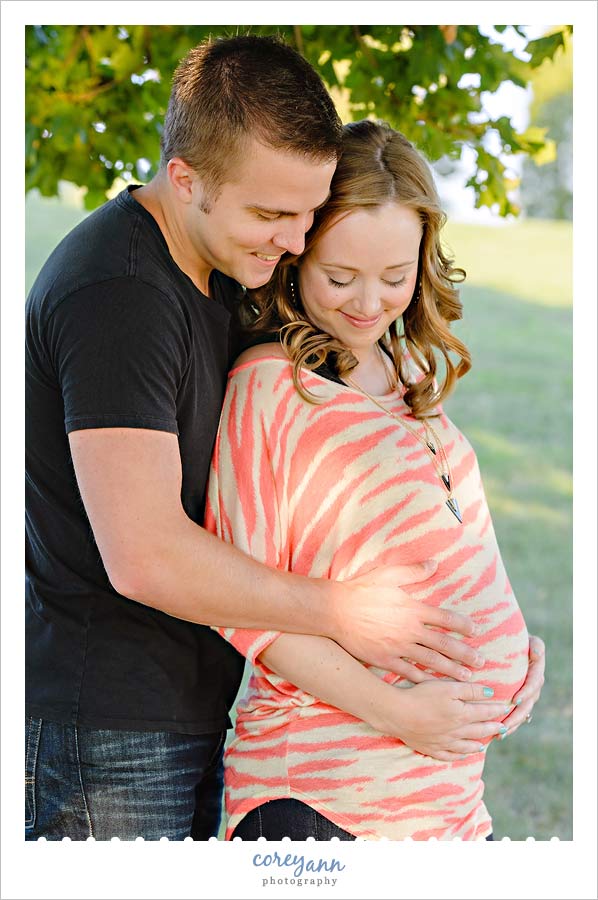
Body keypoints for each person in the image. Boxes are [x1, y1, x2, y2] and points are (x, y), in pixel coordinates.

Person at [26, 34, 519, 842]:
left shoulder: (218, 271)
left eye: (304, 215)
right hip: (107, 731)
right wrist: (343, 612)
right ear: (185, 180)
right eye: (273, 214)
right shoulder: (119, 297)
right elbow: (146, 554)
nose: (293, 240)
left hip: (191, 706)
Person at [206, 120, 545, 841]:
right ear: (297, 258)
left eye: (394, 278)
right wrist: (397, 710)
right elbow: (239, 607)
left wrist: (515, 656)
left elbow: (454, 536)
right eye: (340, 277)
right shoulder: (271, 390)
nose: (367, 303)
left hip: (444, 805)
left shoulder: (408, 372)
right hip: (325, 800)